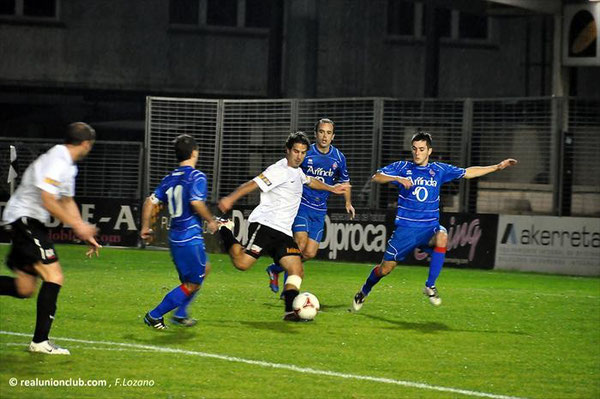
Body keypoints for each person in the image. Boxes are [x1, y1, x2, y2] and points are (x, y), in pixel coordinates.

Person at [352, 131, 517, 311]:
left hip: (429, 228)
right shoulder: (402, 167)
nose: (417, 153)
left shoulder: (438, 170)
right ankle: (364, 291)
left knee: (442, 235)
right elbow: (377, 176)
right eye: (414, 149)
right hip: (406, 230)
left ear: (429, 151)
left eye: (421, 149)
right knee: (385, 269)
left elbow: (468, 172)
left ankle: (430, 285)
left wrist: (497, 167)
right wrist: (396, 178)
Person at [217, 131, 349, 321]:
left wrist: (331, 188)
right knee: (242, 264)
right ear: (287, 151)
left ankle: (290, 311)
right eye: (296, 151)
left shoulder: (297, 171)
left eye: (303, 152)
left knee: (297, 270)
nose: (299, 156)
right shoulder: (278, 170)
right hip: (265, 225)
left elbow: (310, 181)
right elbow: (252, 184)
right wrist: (230, 198)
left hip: (283, 232)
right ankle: (225, 229)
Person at [0, 122, 101, 355]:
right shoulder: (58, 159)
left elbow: (66, 200)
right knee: (54, 276)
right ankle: (40, 342)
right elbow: (48, 199)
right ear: (86, 143)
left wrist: (81, 229)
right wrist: (78, 225)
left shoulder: (67, 165)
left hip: (27, 221)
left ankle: (40, 341)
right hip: (25, 219)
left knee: (24, 288)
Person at [265, 118, 354, 293]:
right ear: (316, 134)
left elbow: (345, 182)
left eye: (328, 133)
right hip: (301, 206)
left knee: (309, 253)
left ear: (333, 136)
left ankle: (275, 269)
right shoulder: (306, 153)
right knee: (299, 244)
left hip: (320, 211)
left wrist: (348, 202)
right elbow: (290, 170)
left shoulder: (338, 158)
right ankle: (288, 288)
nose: (324, 136)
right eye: (321, 132)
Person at [140, 134, 218, 330]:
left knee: (203, 271)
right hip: (189, 237)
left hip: (175, 237)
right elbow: (195, 202)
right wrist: (211, 220)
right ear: (194, 152)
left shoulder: (170, 178)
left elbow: (149, 202)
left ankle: (181, 313)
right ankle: (154, 315)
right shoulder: (197, 176)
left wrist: (145, 227)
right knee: (192, 284)